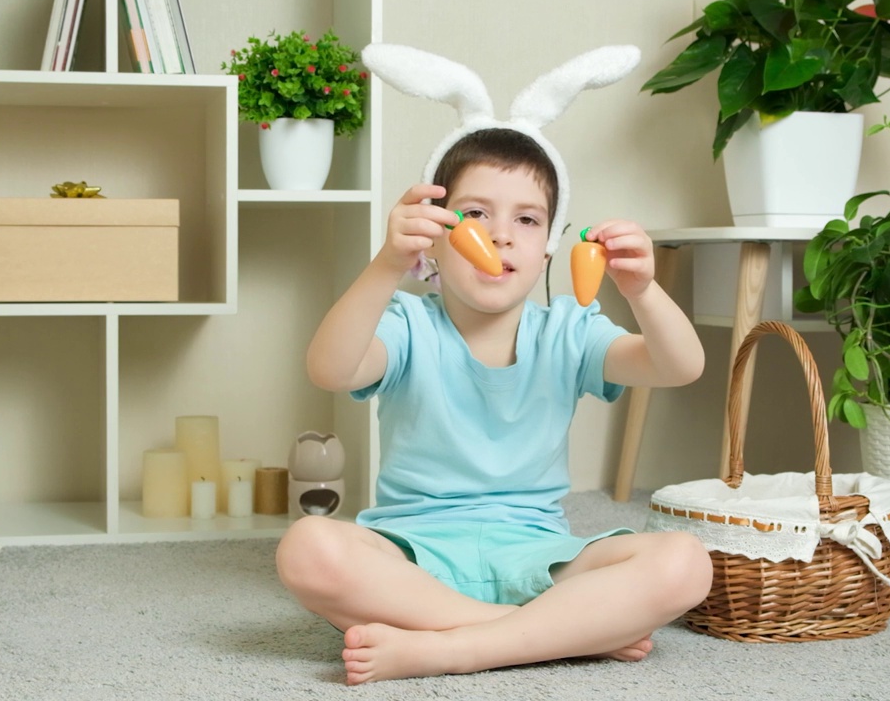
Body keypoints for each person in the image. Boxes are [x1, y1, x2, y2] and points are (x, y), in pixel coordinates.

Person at [276, 127, 712, 685]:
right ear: (432, 238)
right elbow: (330, 369)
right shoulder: (407, 324)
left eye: (527, 220)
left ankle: (454, 648)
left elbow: (680, 366)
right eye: (477, 213)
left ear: (550, 245)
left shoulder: (569, 331)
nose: (502, 235)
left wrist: (643, 290)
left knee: (685, 561)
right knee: (308, 547)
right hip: (413, 557)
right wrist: (386, 264)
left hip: (539, 557)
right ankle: (545, 633)